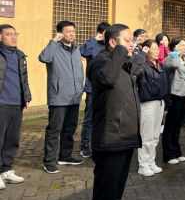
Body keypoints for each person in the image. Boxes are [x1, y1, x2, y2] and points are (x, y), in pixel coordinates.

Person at [87, 24, 139, 200]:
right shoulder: (101, 61)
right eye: (127, 40)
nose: (131, 43)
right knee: (104, 198)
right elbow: (107, 78)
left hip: (124, 138)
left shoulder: (121, 63)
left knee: (114, 196)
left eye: (132, 40)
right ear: (112, 42)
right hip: (110, 140)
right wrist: (120, 50)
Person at [39, 21, 85, 174]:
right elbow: (43, 58)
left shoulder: (76, 49)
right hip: (59, 97)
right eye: (68, 31)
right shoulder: (54, 48)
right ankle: (49, 161)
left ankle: (65, 156)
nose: (71, 34)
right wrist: (53, 41)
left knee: (69, 129)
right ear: (60, 33)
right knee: (54, 130)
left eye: (73, 31)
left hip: (75, 97)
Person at [130, 40, 171, 177]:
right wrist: (142, 53)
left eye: (158, 49)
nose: (157, 51)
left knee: (155, 136)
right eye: (154, 49)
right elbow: (131, 64)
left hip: (160, 103)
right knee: (146, 136)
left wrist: (167, 103)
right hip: (147, 104)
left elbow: (167, 85)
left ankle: (151, 161)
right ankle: (143, 165)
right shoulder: (142, 65)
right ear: (147, 50)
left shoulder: (161, 66)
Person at [0, 25, 31, 189]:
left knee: (12, 140)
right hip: (2, 103)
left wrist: (26, 97)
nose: (14, 37)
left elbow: (24, 78)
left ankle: (6, 170)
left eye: (15, 34)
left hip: (16, 103)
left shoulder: (19, 55)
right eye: (9, 34)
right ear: (0, 37)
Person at [80, 22, 110, 158]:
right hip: (92, 88)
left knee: (105, 117)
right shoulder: (93, 45)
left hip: (107, 87)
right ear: (100, 33)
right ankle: (85, 145)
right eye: (105, 33)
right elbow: (82, 52)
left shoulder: (110, 47)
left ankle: (100, 142)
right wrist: (93, 40)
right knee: (89, 117)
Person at [163, 37, 185, 164]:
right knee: (170, 126)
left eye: (184, 45)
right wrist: (175, 53)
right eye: (180, 45)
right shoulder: (170, 58)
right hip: (174, 96)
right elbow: (174, 66)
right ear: (174, 47)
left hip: (184, 96)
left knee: (177, 126)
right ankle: (168, 154)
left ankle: (176, 151)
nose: (184, 47)